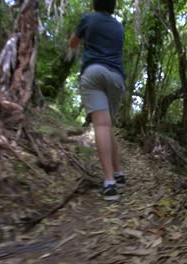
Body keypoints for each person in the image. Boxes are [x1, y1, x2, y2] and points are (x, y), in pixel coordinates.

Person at [69, 0, 126, 201]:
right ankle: (118, 173)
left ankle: (109, 184)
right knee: (108, 126)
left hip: (94, 72)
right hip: (117, 78)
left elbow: (73, 43)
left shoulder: (88, 19)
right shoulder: (119, 26)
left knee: (101, 125)